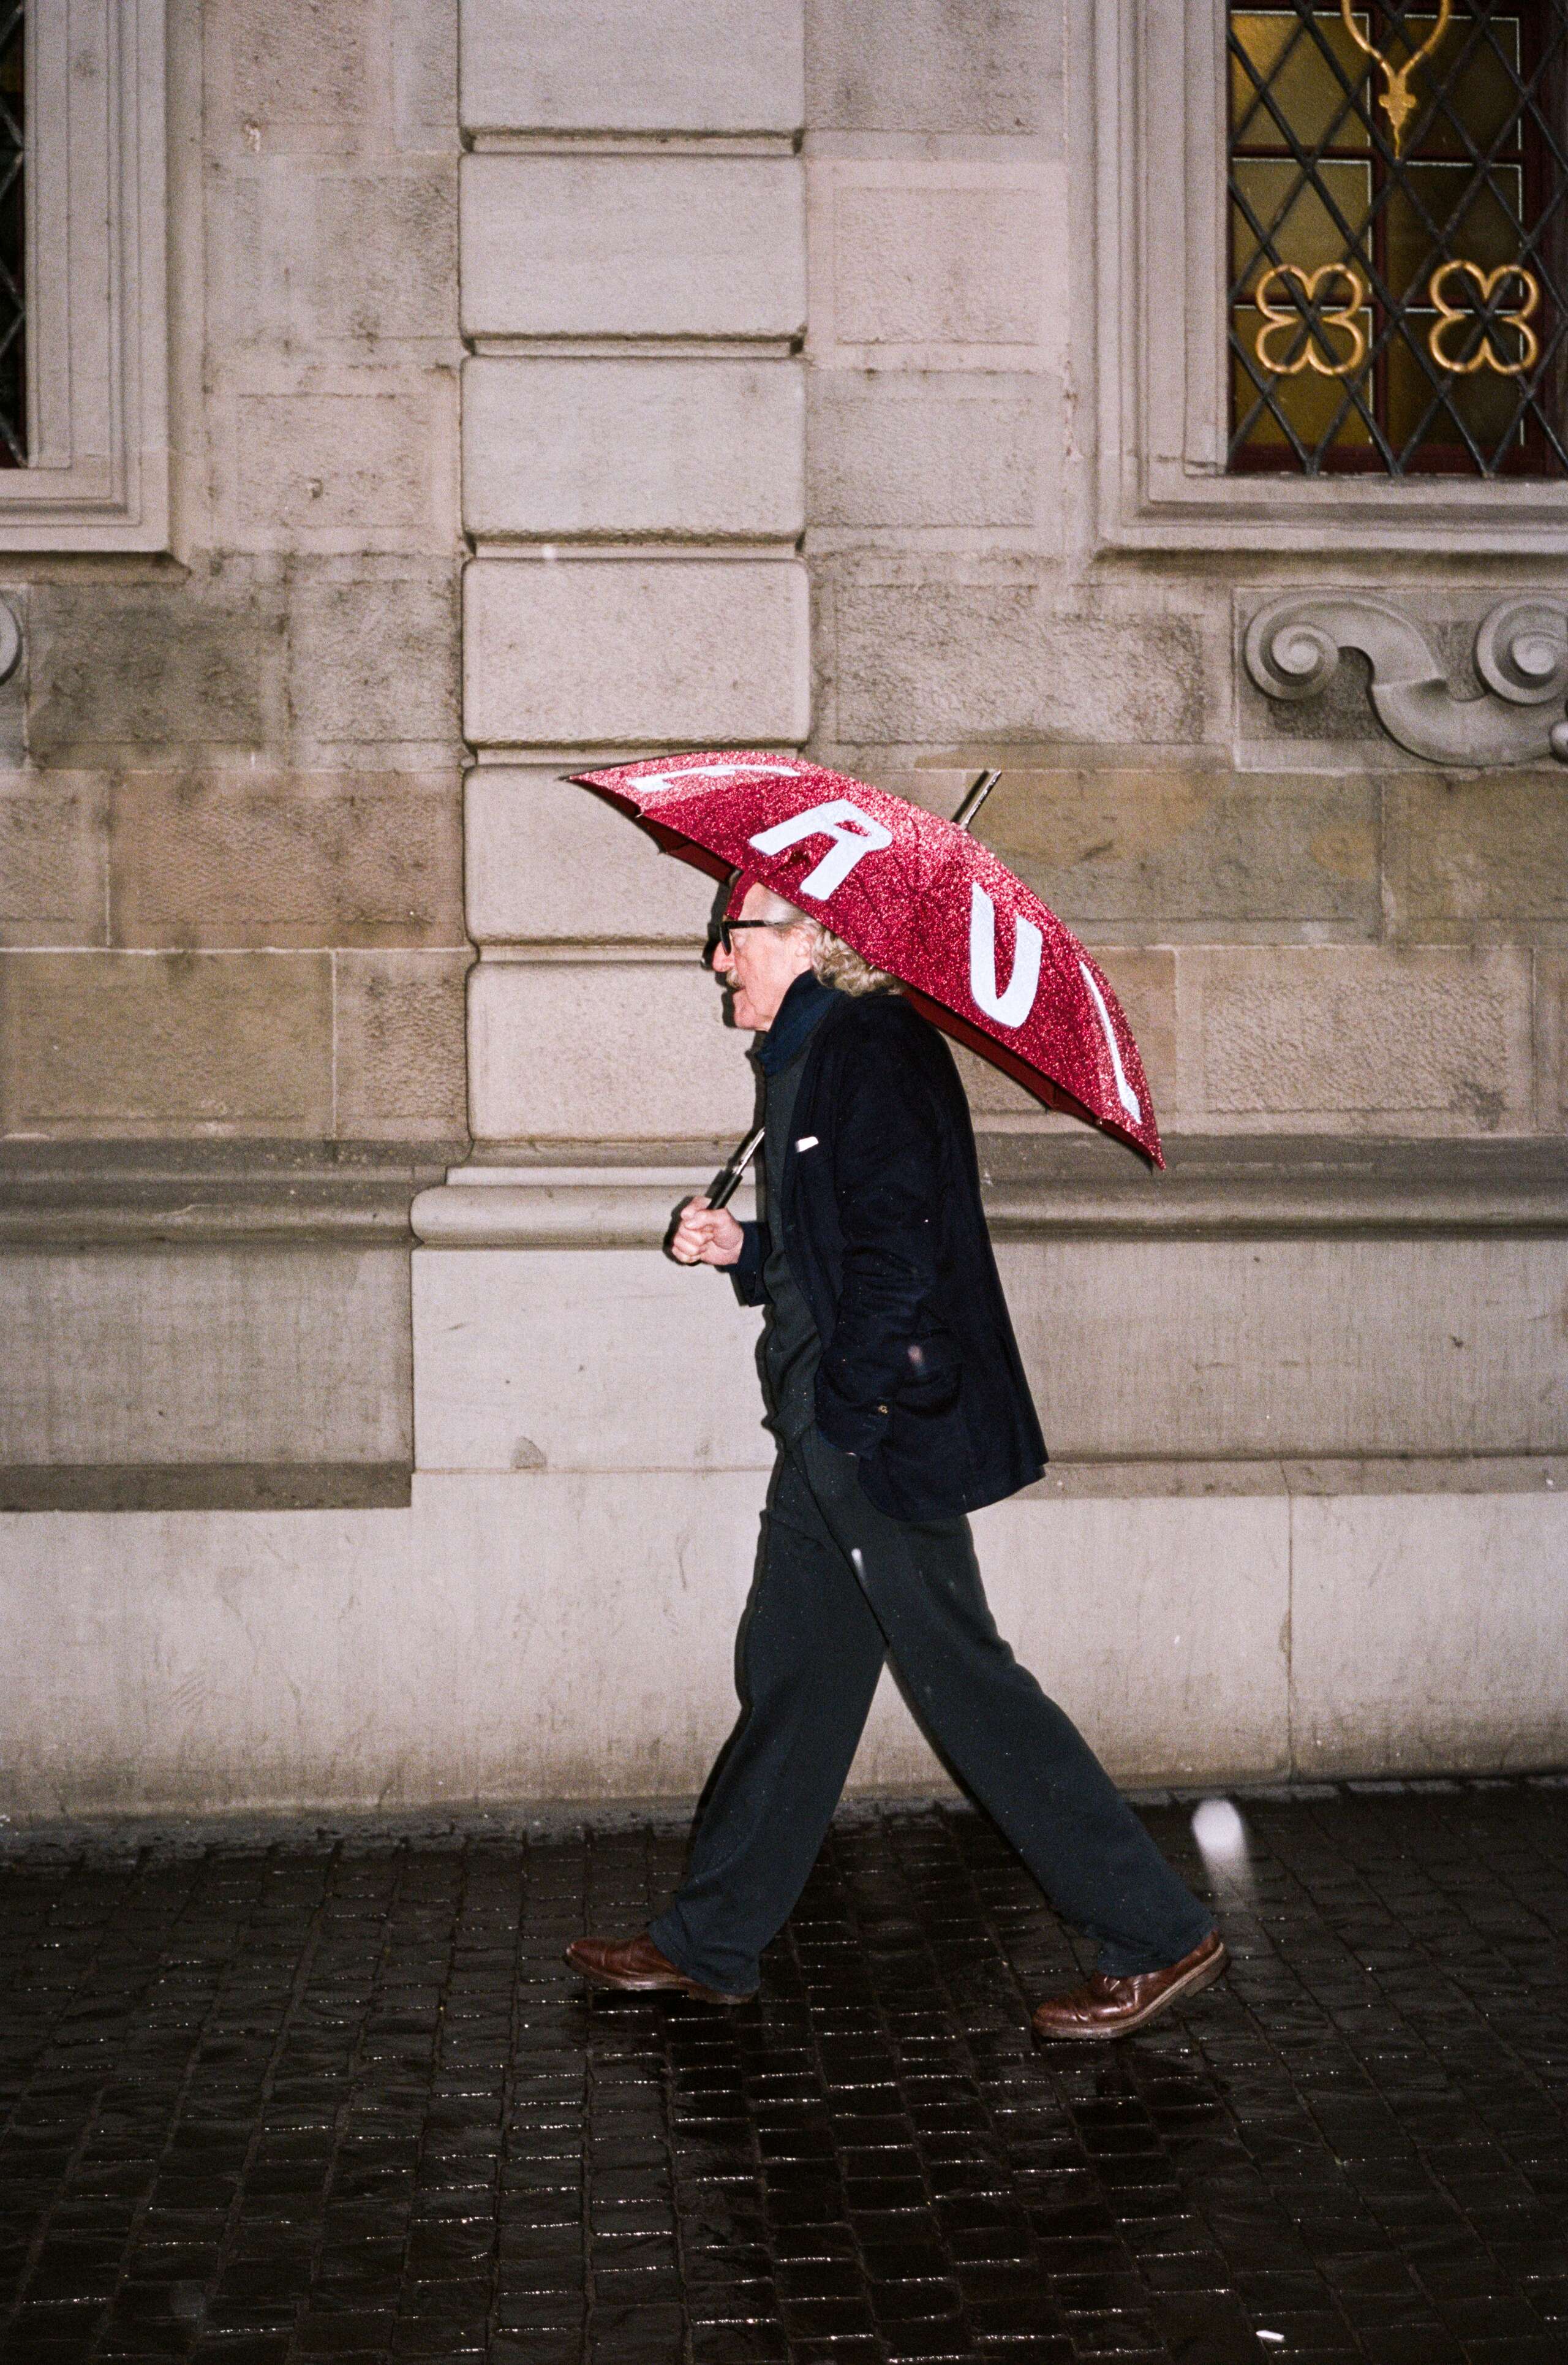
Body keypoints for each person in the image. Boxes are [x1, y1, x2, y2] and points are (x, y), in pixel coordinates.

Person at [566, 880, 1226, 2040]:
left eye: (734, 938)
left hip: (870, 1431)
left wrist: (851, 1412)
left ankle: (1158, 1934)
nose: (718, 962)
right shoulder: (813, 1056)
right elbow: (831, 1246)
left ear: (811, 940)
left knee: (964, 1684)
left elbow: (898, 1251)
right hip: (831, 1425)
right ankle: (709, 1943)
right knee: (795, 1676)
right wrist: (743, 1246)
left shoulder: (873, 1049)